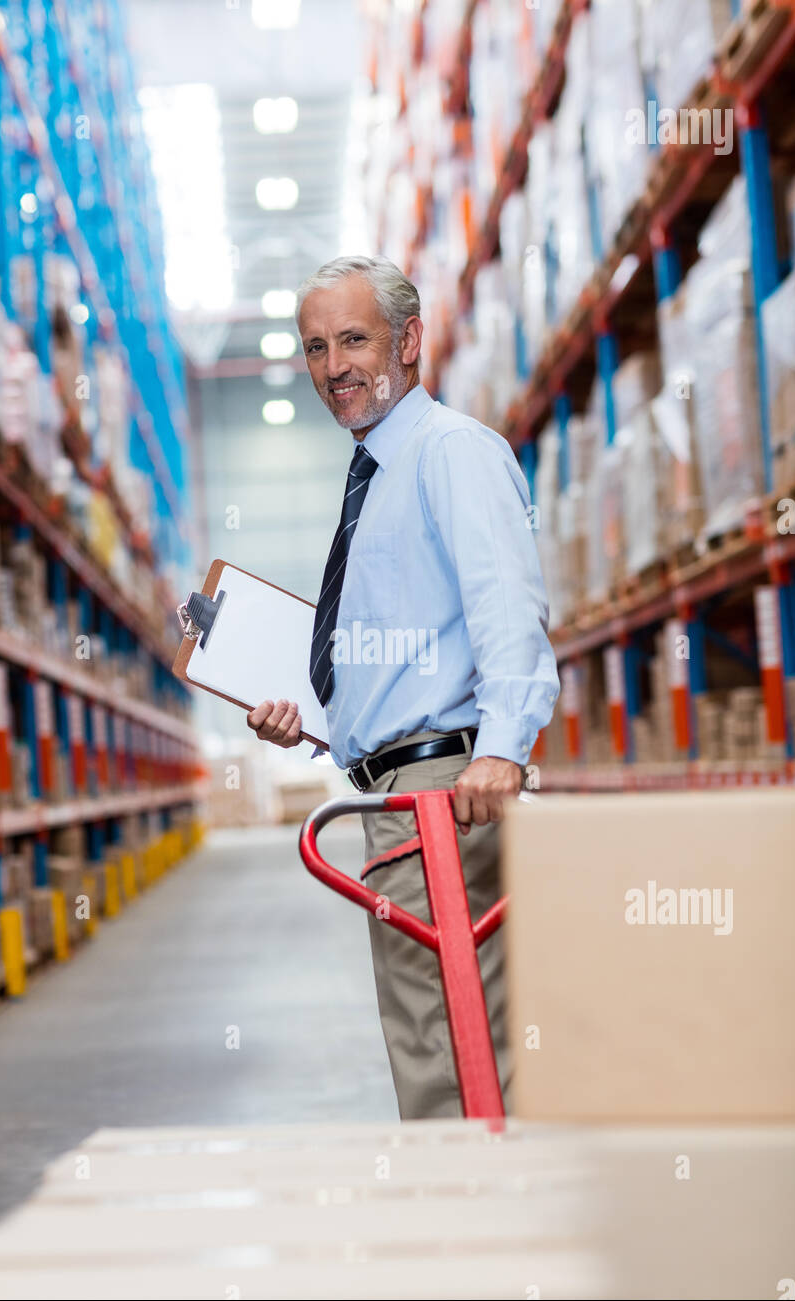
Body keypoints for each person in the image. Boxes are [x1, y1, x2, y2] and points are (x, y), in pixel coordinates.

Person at [247, 255, 559, 1119]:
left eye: (353, 339)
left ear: (409, 341)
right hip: (399, 791)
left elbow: (507, 606)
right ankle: (481, 1216)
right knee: (440, 1025)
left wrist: (501, 750)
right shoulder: (378, 477)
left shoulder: (448, 451)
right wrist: (314, 721)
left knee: (443, 1032)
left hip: (443, 792)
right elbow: (411, 654)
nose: (333, 367)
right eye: (315, 348)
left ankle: (476, 1225)